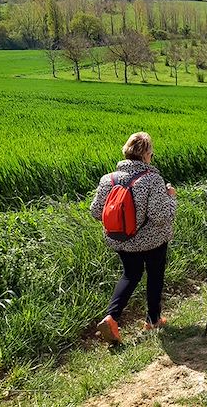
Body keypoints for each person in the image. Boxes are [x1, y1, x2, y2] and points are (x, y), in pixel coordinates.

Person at [90, 132, 177, 344]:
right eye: (151, 153)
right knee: (155, 275)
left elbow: (95, 211)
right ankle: (153, 320)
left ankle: (111, 317)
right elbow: (160, 216)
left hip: (120, 240)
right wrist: (171, 198)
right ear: (146, 154)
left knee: (131, 274)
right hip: (152, 241)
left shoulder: (108, 179)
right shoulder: (152, 179)